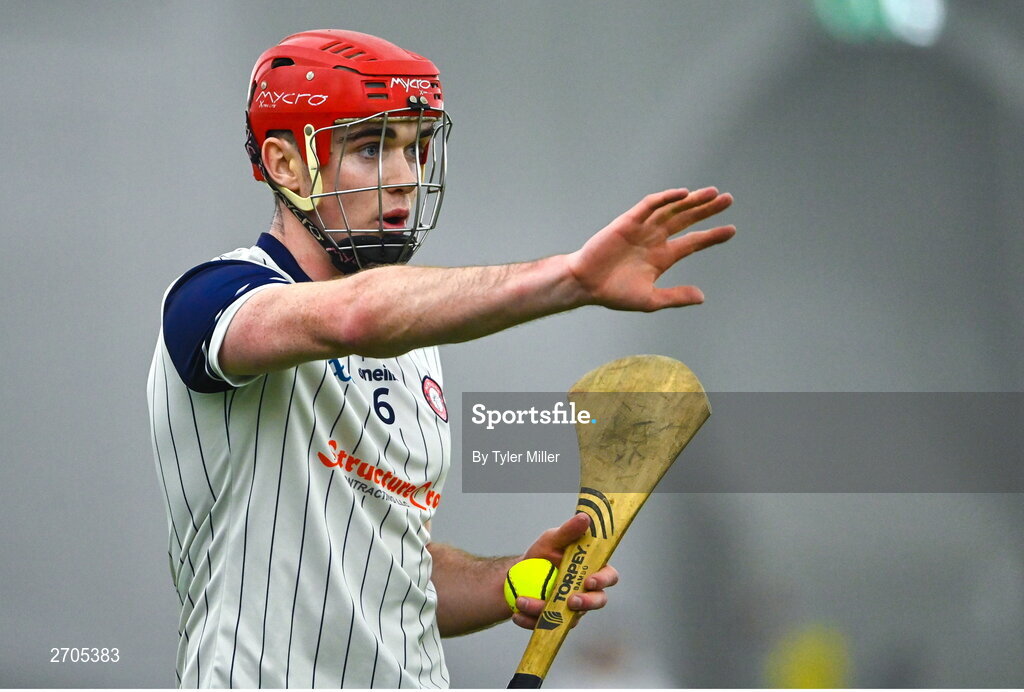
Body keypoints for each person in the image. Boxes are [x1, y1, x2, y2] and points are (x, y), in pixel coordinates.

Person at [147, 29, 735, 689]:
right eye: (372, 149)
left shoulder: (415, 342)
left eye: (416, 148)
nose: (405, 177)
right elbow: (353, 315)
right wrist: (569, 279)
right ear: (287, 165)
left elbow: (395, 567)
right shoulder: (213, 301)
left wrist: (505, 581)